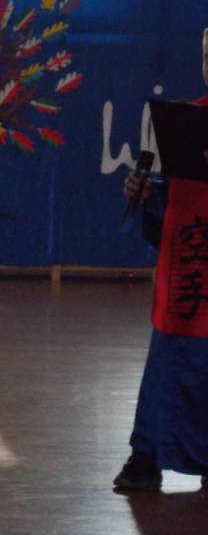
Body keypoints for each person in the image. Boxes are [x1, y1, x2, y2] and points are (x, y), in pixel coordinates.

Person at [113, 29, 208, 491]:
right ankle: (145, 456)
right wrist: (147, 193)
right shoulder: (185, 120)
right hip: (188, 262)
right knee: (169, 362)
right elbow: (168, 199)